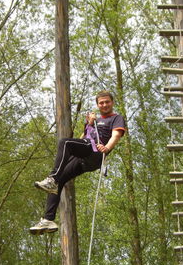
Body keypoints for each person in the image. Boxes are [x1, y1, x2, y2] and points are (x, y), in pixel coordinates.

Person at [29, 90, 126, 234]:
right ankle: (48, 220)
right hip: (84, 158)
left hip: (96, 153)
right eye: (101, 103)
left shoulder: (116, 118)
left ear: (112, 103)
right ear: (97, 105)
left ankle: (52, 178)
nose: (104, 105)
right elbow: (83, 137)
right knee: (60, 181)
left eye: (107, 102)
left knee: (65, 142)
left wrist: (107, 148)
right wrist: (90, 123)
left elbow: (116, 135)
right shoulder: (94, 121)